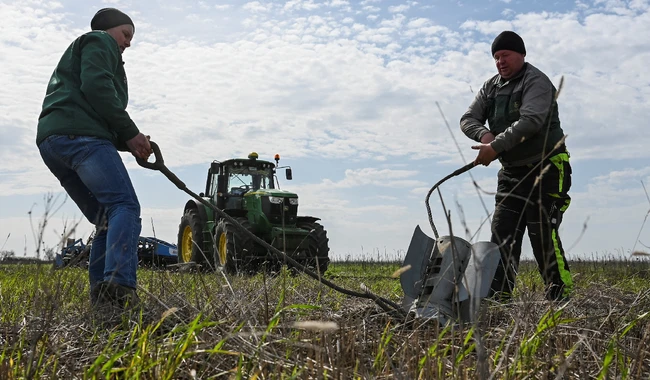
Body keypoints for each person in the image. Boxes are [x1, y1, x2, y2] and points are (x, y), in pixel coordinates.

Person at [36, 8, 152, 311]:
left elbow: (93, 109)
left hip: (54, 142)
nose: (128, 43)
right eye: (126, 34)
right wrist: (131, 132)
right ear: (110, 29)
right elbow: (97, 88)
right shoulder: (100, 40)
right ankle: (120, 286)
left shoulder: (86, 51)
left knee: (104, 220)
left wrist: (132, 143)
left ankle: (103, 302)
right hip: (81, 138)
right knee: (124, 206)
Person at [460, 31, 573, 301]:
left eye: (505, 55)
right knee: (502, 239)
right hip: (511, 173)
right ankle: (499, 302)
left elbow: (531, 121)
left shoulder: (536, 82)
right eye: (496, 57)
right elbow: (468, 118)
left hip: (547, 169)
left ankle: (561, 299)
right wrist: (484, 136)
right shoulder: (491, 87)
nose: (500, 61)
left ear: (521, 55)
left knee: (542, 233)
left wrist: (496, 147)